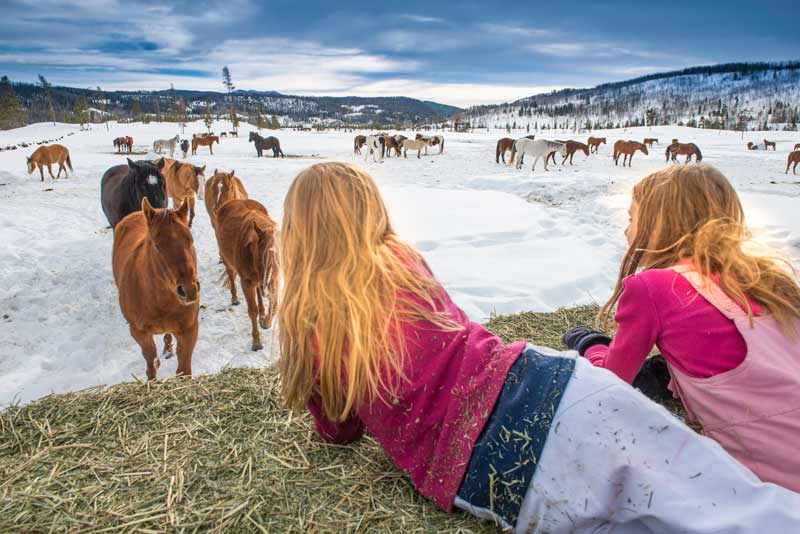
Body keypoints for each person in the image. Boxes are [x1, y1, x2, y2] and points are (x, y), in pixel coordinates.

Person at [278, 162, 800, 532]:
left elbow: (339, 428)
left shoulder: (310, 323)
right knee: (728, 497)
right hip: (548, 378)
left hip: (495, 457)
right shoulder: (402, 260)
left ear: (296, 234)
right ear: (373, 213)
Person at [564, 163, 800, 493]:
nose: (626, 231)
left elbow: (610, 383)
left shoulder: (653, 287)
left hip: (774, 477)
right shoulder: (768, 282)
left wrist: (590, 344)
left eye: (632, 219)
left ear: (660, 223)